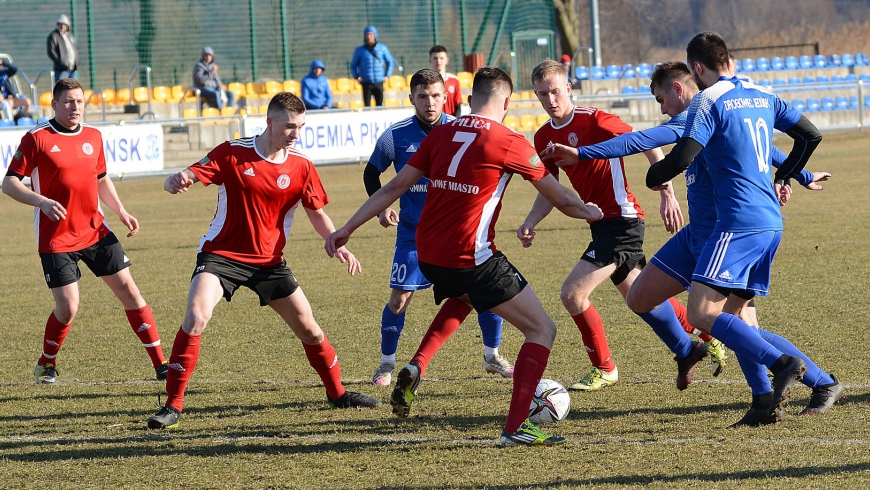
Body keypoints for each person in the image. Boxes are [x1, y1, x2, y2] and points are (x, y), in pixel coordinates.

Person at [544, 61, 843, 423]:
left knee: (740, 326)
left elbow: (640, 139)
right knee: (640, 297)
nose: (661, 108)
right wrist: (804, 174)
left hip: (726, 235)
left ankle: (811, 384)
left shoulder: (705, 112)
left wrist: (583, 153)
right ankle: (688, 350)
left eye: (661, 98)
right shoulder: (699, 117)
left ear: (679, 89)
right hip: (695, 236)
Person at [326, 67, 604, 446]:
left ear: (468, 101)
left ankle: (416, 364)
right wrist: (589, 210)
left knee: (465, 295)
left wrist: (346, 229)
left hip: (429, 253)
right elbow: (560, 197)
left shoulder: (440, 132)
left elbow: (394, 185)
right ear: (506, 103)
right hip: (471, 255)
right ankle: (516, 427)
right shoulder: (511, 141)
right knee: (542, 329)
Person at [146, 92, 381, 430]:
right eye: (289, 126)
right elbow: (189, 175)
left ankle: (338, 393)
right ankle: (173, 406)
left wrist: (336, 241)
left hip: (270, 262)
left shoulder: (301, 165)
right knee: (196, 315)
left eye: (300, 126)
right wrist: (175, 181)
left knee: (311, 331)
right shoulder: (233, 152)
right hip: (221, 255)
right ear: (269, 121)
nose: (295, 134)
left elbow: (316, 212)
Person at [645, 32, 825, 424]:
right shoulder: (760, 93)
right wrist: (789, 176)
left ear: (696, 69)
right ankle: (768, 402)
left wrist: (653, 175)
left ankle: (784, 367)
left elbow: (679, 156)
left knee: (704, 314)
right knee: (733, 318)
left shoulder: (708, 102)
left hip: (735, 227)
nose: (661, 109)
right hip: (761, 225)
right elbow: (809, 136)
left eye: (661, 99)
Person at [521, 59, 706, 393]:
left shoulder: (594, 119)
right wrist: (530, 221)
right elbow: (551, 191)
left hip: (622, 220)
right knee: (641, 296)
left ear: (569, 88)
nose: (550, 99)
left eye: (555, 90)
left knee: (572, 294)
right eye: (542, 93)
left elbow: (648, 143)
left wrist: (667, 193)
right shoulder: (543, 136)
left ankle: (604, 367)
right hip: (601, 224)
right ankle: (698, 341)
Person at [2, 78, 168, 384]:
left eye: (78, 101)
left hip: (95, 231)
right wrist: (41, 201)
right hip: (56, 238)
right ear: (53, 104)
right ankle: (46, 363)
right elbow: (8, 183)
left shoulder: (93, 135)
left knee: (130, 292)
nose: (74, 106)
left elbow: (101, 179)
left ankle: (161, 365)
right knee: (68, 308)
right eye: (67, 101)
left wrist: (121, 211)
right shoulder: (36, 138)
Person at [363, 68, 513, 386]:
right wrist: (381, 209)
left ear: (446, 97)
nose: (429, 103)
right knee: (399, 299)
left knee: (485, 292)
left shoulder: (462, 131)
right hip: (412, 235)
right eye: (422, 96)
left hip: (457, 234)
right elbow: (371, 173)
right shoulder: (395, 136)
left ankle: (492, 355)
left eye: (435, 96)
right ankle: (387, 364)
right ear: (411, 99)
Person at [350, 25, 395, 107]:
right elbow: (353, 65)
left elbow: (390, 62)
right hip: (366, 82)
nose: (369, 37)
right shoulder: (360, 50)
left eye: (371, 34)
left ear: (375, 35)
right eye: (367, 35)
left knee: (379, 105)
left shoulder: (382, 48)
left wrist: (387, 75)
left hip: (379, 82)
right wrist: (356, 76)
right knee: (367, 106)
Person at [192, 47, 236, 111]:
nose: (208, 57)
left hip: (214, 87)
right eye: (206, 55)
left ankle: (229, 111)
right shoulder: (199, 66)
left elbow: (217, 78)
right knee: (216, 93)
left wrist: (220, 86)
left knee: (230, 94)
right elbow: (200, 80)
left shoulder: (213, 66)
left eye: (209, 55)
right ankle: (219, 112)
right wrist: (211, 72)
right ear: (203, 56)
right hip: (203, 88)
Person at [428, 46, 462, 117]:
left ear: (447, 60)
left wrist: (455, 122)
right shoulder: (426, 82)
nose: (438, 61)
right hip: (433, 123)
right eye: (435, 58)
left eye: (441, 58)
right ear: (430, 61)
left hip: (450, 122)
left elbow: (458, 105)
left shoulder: (454, 80)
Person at [47, 14, 78, 82]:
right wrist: (61, 62)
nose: (63, 26)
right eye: (61, 24)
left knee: (73, 89)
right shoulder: (54, 36)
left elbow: (74, 48)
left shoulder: (69, 36)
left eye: (64, 24)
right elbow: (51, 51)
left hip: (73, 69)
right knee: (62, 89)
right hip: (61, 70)